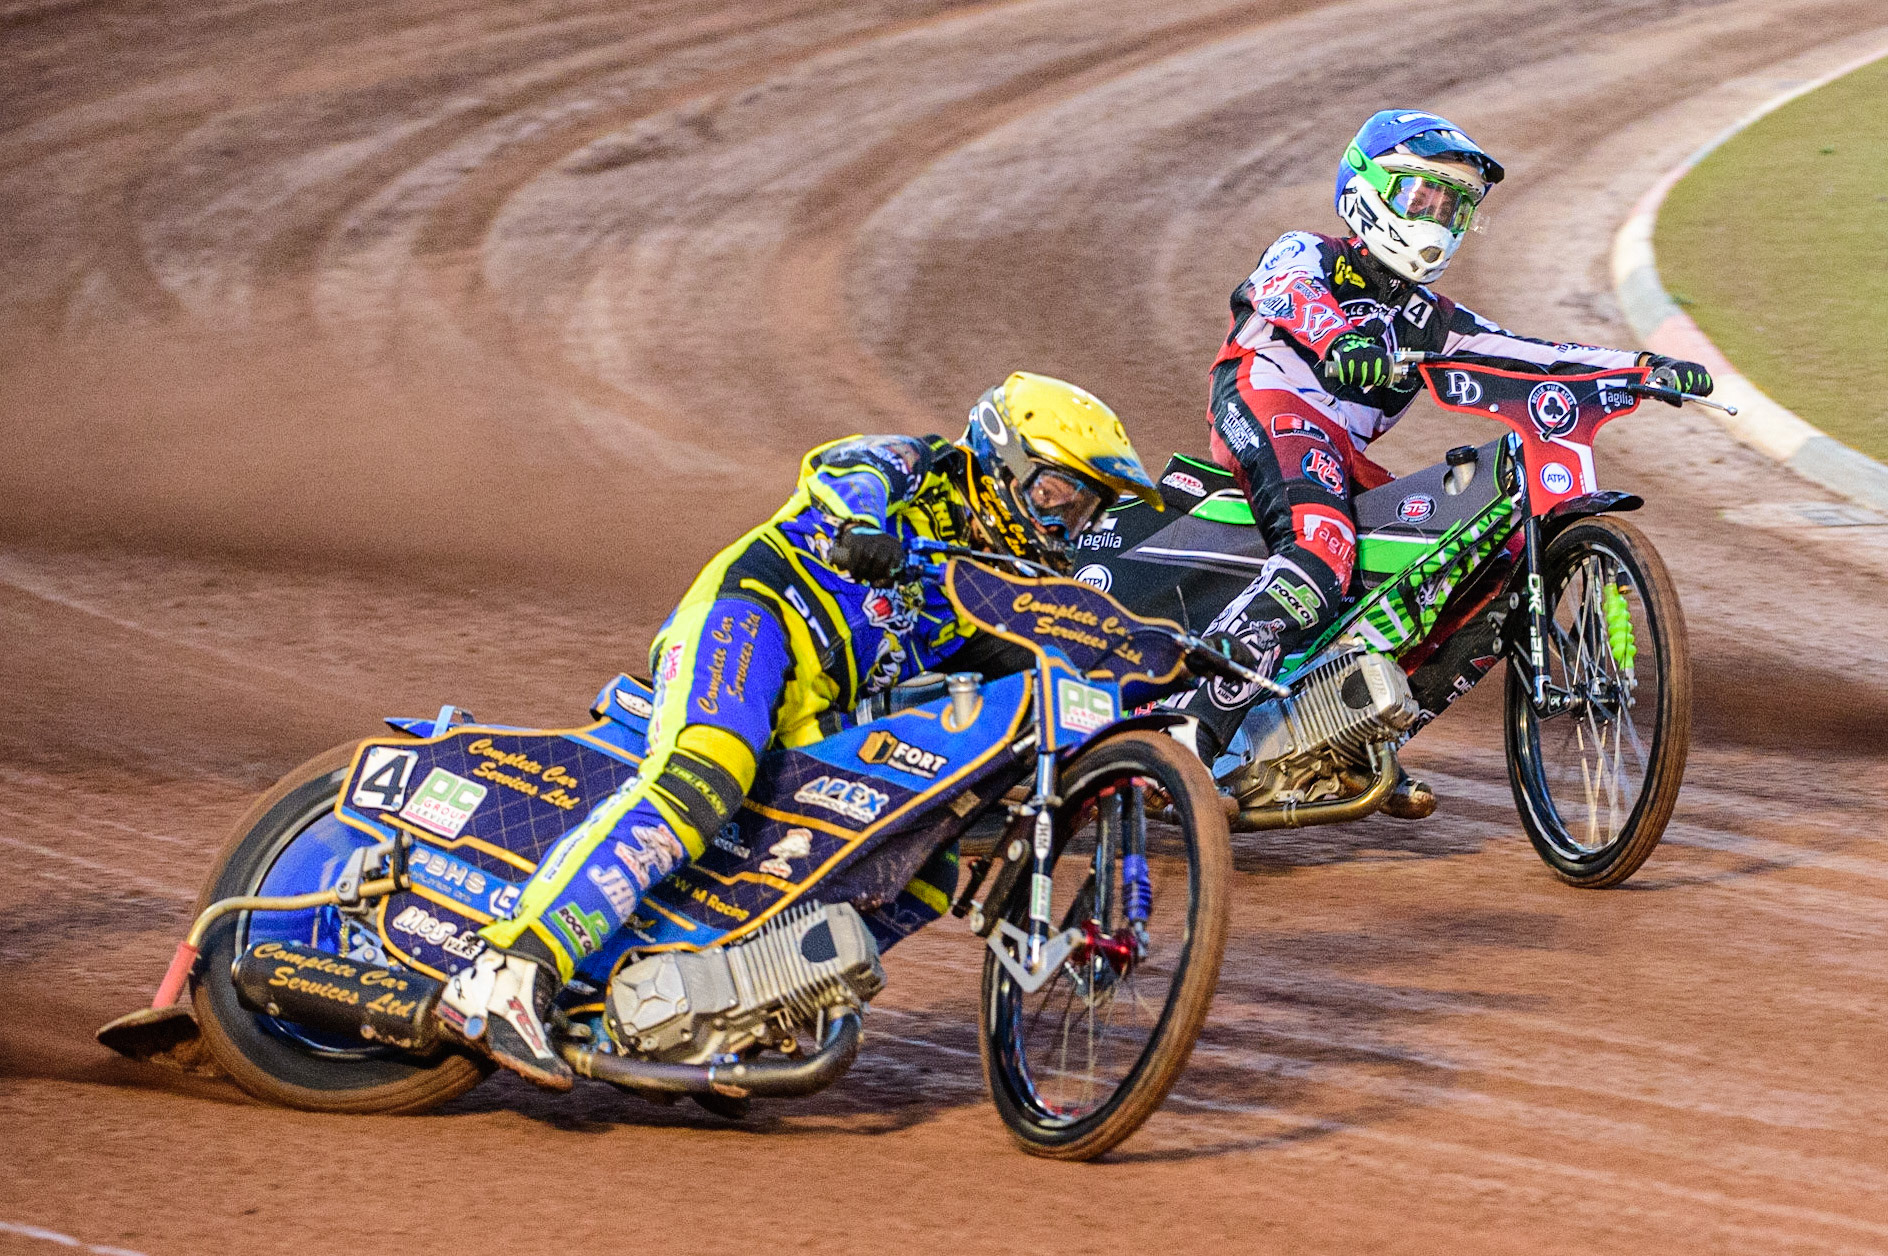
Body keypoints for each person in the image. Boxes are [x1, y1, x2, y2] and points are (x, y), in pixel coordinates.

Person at [433, 372, 1165, 1089]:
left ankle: (735, 1003)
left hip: (817, 714)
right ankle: (510, 970)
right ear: (1006, 461)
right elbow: (843, 469)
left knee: (926, 853)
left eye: (1085, 511)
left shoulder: (992, 587)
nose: (1068, 524)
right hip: (753, 618)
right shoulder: (924, 466)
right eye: (1055, 495)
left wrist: (1151, 711)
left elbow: (1044, 670)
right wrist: (864, 530)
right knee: (706, 774)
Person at [1176, 109, 1715, 816]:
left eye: (1454, 205)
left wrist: (1640, 367)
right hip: (1265, 399)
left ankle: (1339, 737)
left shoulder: (1432, 317)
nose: (1437, 217)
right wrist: (1340, 337)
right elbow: (1289, 295)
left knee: (1448, 570)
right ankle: (1189, 728)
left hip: (1339, 455)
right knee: (1322, 549)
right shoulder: (1305, 253)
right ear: (1367, 192)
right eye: (1421, 197)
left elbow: (1528, 353)